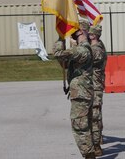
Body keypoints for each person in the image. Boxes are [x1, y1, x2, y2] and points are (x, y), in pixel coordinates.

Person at [53, 21, 95, 159]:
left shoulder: (82, 50)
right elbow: (65, 65)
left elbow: (58, 53)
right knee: (84, 125)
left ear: (80, 32)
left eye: (74, 33)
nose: (72, 36)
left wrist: (60, 37)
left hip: (81, 94)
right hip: (83, 93)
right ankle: (89, 153)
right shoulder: (82, 49)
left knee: (79, 126)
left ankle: (89, 155)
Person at [89, 24, 107, 157]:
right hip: (94, 86)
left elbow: (87, 59)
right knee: (95, 115)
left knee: (95, 116)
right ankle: (96, 141)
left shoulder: (96, 49)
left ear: (93, 35)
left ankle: (96, 146)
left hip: (95, 86)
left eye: (89, 34)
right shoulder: (99, 45)